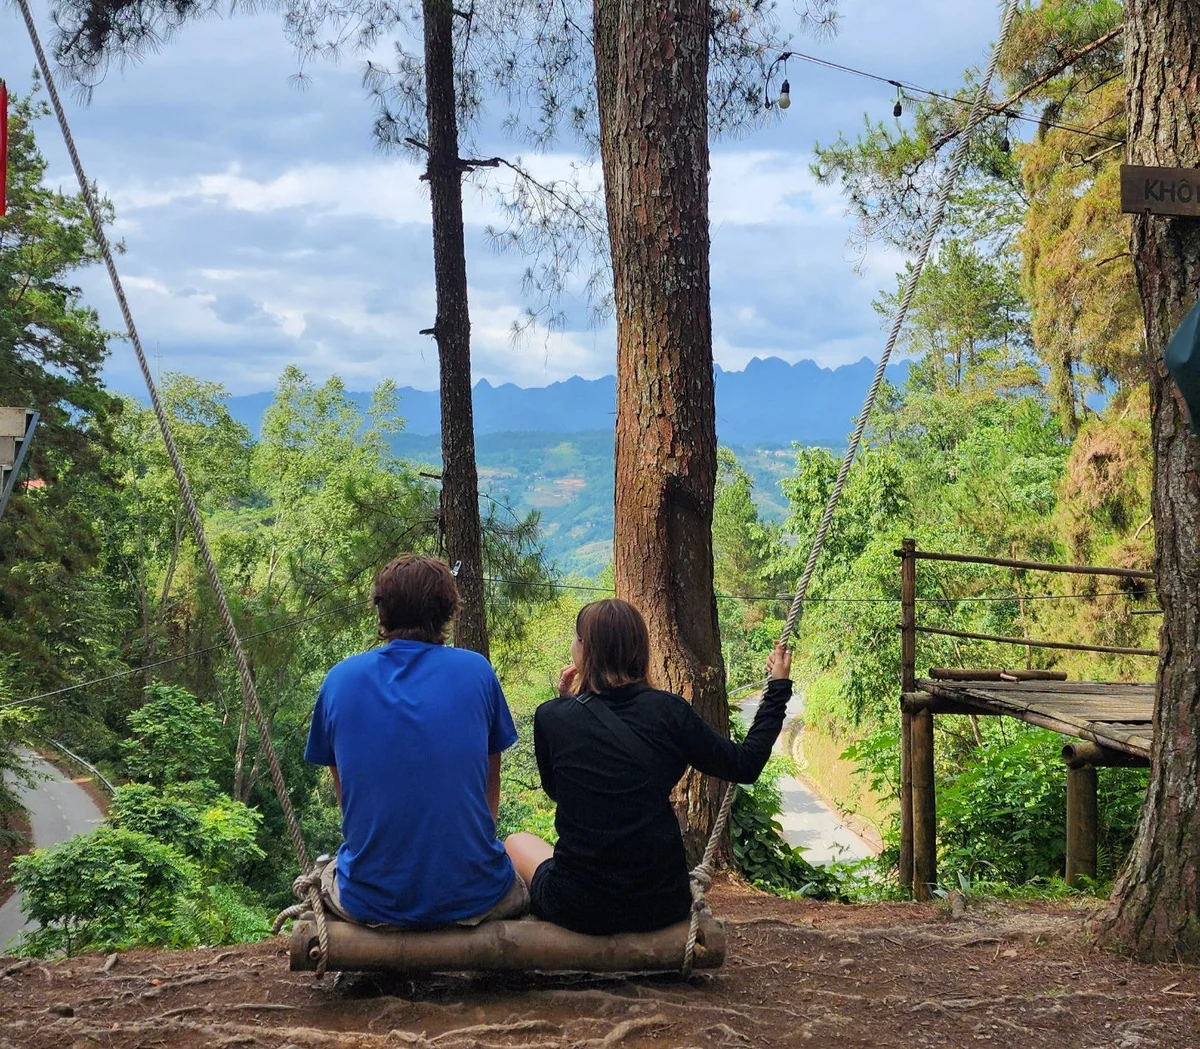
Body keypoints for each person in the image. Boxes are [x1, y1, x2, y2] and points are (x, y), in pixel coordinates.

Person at [505, 598, 792, 936]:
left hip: (579, 904)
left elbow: (559, 792)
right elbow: (746, 765)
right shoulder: (669, 711)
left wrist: (567, 705)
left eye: (576, 638)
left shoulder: (552, 716)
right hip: (660, 903)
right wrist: (777, 688)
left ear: (586, 649)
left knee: (515, 841)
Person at [304, 554, 528, 928]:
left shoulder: (340, 680)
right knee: (519, 868)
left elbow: (347, 797)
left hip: (371, 900)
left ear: (382, 611)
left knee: (329, 870)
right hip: (474, 894)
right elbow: (490, 787)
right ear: (447, 611)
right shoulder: (477, 671)